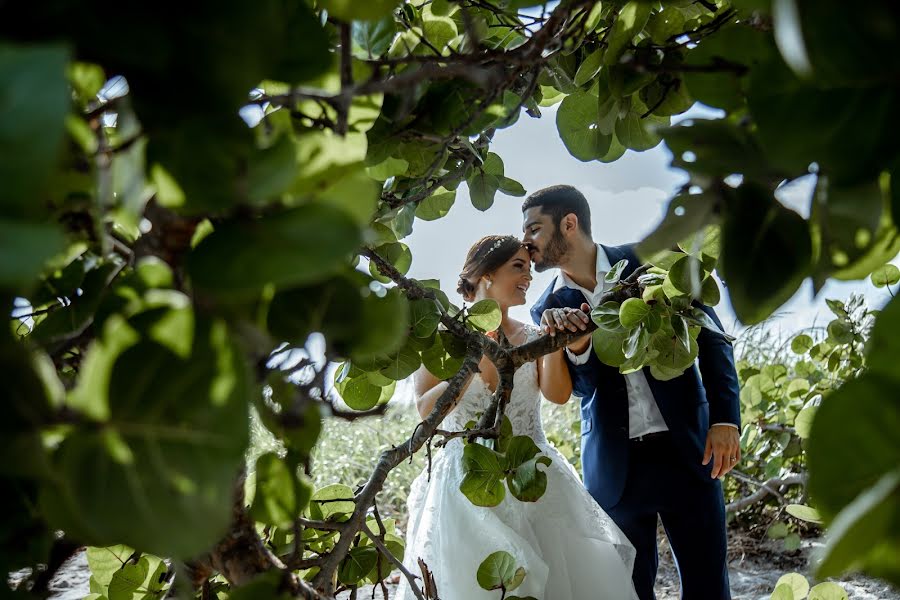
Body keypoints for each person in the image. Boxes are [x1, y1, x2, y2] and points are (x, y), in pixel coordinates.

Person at [522, 185, 742, 600]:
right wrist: (577, 346)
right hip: (615, 468)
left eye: (534, 229)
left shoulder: (653, 264)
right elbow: (582, 391)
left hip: (691, 452)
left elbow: (713, 340)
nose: (526, 242)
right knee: (629, 591)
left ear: (569, 224)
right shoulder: (546, 309)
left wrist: (725, 418)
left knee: (709, 587)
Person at [395, 235, 639, 600]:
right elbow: (425, 409)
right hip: (463, 485)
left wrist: (555, 345)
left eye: (528, 268)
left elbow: (557, 395)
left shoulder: (535, 333)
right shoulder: (442, 337)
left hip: (534, 473)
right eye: (518, 267)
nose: (528, 276)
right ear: (487, 274)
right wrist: (472, 362)